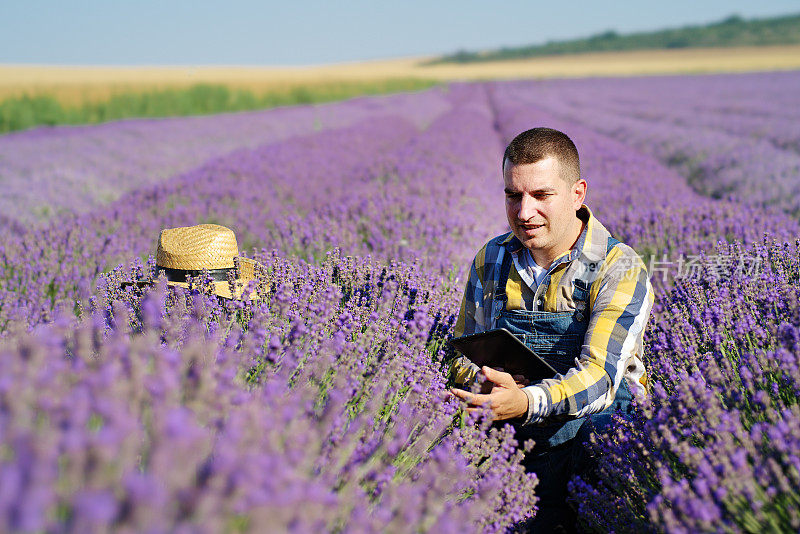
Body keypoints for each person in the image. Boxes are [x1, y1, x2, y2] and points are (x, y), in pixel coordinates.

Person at [448, 127, 655, 533]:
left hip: (597, 440)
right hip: (516, 431)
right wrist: (482, 381)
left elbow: (599, 380)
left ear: (578, 194)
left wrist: (524, 401)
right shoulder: (491, 258)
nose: (524, 212)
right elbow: (460, 352)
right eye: (513, 195)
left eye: (541, 196)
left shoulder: (617, 267)